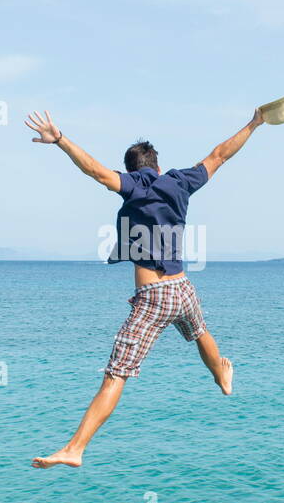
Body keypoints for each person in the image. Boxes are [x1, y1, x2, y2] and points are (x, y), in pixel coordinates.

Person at [24, 107, 266, 468]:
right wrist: (254, 123)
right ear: (156, 164)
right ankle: (222, 376)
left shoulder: (136, 185)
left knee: (115, 375)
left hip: (153, 298)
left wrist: (60, 140)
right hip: (183, 289)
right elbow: (220, 154)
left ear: (133, 169)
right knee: (199, 331)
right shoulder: (181, 182)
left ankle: (75, 449)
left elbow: (94, 170)